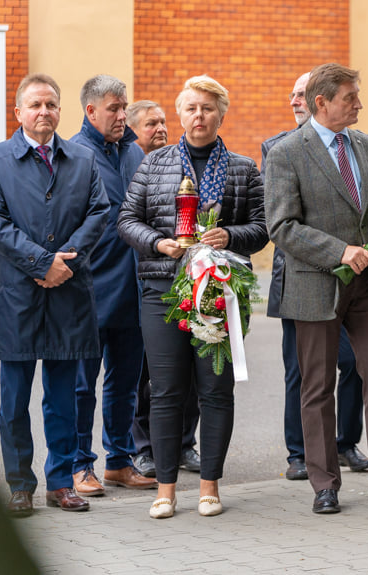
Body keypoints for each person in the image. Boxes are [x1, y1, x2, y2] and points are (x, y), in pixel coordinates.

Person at [265, 62, 368, 513]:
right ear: (322, 102)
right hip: (315, 285)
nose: (359, 104)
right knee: (317, 388)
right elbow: (282, 226)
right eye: (350, 98)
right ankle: (324, 485)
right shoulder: (287, 152)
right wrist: (340, 251)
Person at [118, 74, 268, 519]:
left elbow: (261, 228)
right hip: (162, 288)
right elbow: (128, 219)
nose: (198, 116)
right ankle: (164, 489)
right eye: (190, 108)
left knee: (215, 389)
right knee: (165, 390)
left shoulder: (241, 169)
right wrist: (158, 243)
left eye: (206, 108)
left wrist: (231, 235)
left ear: (221, 113)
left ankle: (209, 486)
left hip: (218, 290)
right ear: (180, 114)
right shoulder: (155, 164)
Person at [0, 73, 110, 516]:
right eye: (35, 105)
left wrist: (64, 264)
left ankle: (60, 481)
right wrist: (41, 263)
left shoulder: (83, 159)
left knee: (63, 398)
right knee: (14, 399)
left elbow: (99, 211)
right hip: (20, 295)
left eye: (51, 104)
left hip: (69, 293)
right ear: (18, 112)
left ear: (60, 110)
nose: (44, 112)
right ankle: (20, 484)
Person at [262, 71, 368, 481]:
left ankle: (346, 443)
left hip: (356, 280)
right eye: (291, 94)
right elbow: (280, 222)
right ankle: (299, 453)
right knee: (303, 372)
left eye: (300, 94)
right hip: (302, 278)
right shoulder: (279, 149)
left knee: (356, 365)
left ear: (317, 99)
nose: (296, 100)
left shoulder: (358, 147)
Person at [69, 75, 157, 496]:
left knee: (124, 384)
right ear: (90, 111)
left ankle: (119, 461)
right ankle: (79, 464)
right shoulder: (73, 154)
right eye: (113, 108)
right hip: (88, 289)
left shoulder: (132, 153)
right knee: (82, 385)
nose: (123, 116)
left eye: (124, 108)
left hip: (133, 289)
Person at [126, 99, 201, 477]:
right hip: (146, 283)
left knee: (190, 371)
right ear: (133, 131)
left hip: (191, 281)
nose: (160, 129)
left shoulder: (185, 163)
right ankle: (144, 448)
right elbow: (128, 221)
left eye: (162, 122)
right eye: (150, 124)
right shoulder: (137, 168)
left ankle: (185, 443)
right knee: (148, 375)